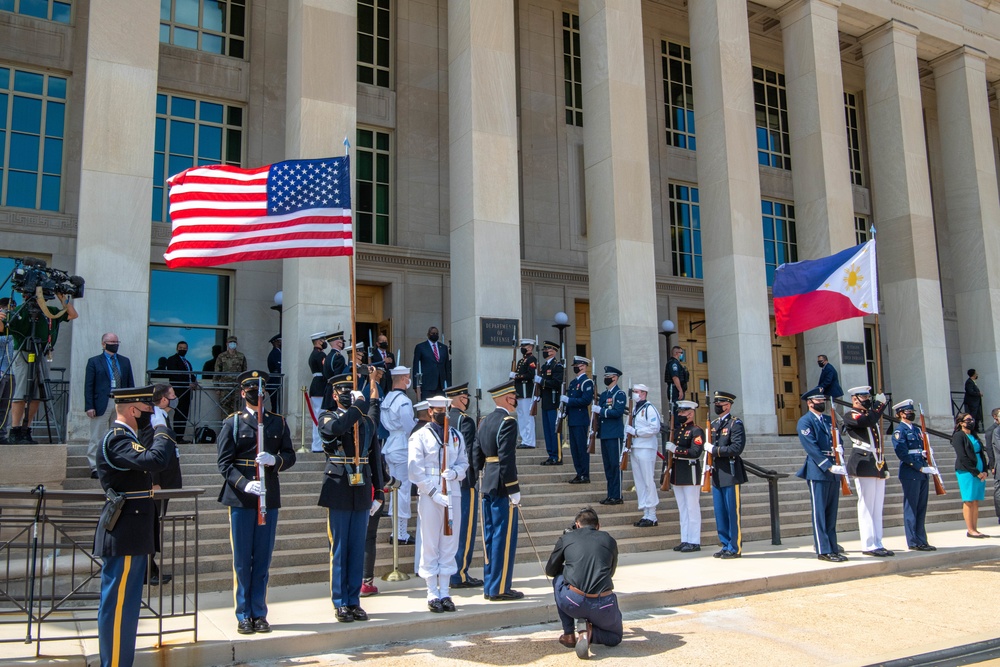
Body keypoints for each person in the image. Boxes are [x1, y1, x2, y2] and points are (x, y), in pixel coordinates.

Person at [94, 385, 175, 667]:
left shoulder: (128, 438)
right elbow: (157, 459)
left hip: (134, 532)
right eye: (147, 411)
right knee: (119, 608)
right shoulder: (118, 439)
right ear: (132, 410)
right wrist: (163, 430)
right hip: (125, 532)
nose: (151, 415)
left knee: (128, 608)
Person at [217, 370, 297, 634]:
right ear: (243, 393)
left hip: (268, 496)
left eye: (260, 390)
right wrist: (244, 483)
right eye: (251, 390)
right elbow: (225, 464)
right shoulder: (233, 423)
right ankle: (243, 613)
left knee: (262, 558)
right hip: (241, 499)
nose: (256, 394)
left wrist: (275, 461)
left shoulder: (277, 422)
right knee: (242, 559)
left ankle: (259, 612)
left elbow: (289, 454)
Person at [317, 369, 384, 622]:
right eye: (342, 393)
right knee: (340, 547)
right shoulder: (328, 416)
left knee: (357, 547)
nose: (346, 396)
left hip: (361, 486)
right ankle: (340, 601)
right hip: (338, 487)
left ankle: (354, 600)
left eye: (350, 392)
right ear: (335, 396)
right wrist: (357, 408)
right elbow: (336, 428)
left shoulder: (365, 421)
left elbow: (374, 456)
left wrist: (379, 490)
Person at [409, 395, 469, 612]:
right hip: (430, 492)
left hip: (452, 491)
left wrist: (456, 472)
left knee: (450, 540)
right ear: (430, 411)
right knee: (430, 541)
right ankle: (432, 592)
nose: (441, 414)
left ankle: (445, 591)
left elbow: (464, 461)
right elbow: (414, 469)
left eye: (444, 410)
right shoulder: (420, 436)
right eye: (437, 410)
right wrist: (433, 492)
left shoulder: (455, 436)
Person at [545, 508, 623, 659]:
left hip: (573, 601)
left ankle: (569, 634)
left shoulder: (566, 538)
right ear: (598, 526)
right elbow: (610, 573)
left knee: (558, 577)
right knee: (615, 638)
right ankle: (589, 633)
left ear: (577, 525)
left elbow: (551, 570)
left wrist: (568, 566)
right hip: (604, 604)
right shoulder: (609, 540)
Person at [6, 289, 77, 444]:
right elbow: (4, 327)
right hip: (24, 352)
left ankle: (26, 430)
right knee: (21, 393)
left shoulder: (49, 312)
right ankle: (15, 429)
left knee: (37, 395)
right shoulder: (21, 311)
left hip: (42, 354)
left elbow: (72, 314)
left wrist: (61, 297)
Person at [473, 380, 522, 601]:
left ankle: (490, 586)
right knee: (503, 537)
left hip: (487, 483)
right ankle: (500, 588)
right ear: (504, 398)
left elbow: (476, 454)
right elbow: (506, 457)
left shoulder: (484, 422)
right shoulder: (508, 421)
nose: (515, 400)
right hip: (502, 485)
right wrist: (513, 487)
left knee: (490, 537)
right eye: (513, 397)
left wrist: (477, 478)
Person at [796, 387, 847, 562]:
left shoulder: (828, 419)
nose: (821, 403)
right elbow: (811, 447)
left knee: (831, 512)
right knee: (820, 513)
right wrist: (827, 465)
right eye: (818, 401)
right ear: (810, 403)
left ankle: (833, 546)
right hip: (818, 471)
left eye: (822, 400)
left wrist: (840, 461)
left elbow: (838, 441)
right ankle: (823, 549)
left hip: (834, 470)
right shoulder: (805, 421)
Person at [842, 385, 892, 557]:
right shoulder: (851, 415)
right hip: (863, 462)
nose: (867, 400)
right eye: (863, 397)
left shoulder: (869, 414)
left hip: (876, 462)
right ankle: (868, 544)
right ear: (854, 399)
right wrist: (879, 406)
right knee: (866, 506)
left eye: (868, 397)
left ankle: (878, 541)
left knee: (877, 506)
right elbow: (867, 421)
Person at [144, 383, 182, 585]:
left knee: (155, 524)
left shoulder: (163, 416)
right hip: (157, 484)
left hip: (165, 481)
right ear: (165, 399)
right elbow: (151, 453)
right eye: (173, 394)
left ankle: (151, 567)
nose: (176, 397)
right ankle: (147, 569)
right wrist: (155, 481)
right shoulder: (154, 419)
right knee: (151, 525)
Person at [447, 383, 483, 589]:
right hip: (464, 480)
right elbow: (470, 452)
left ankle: (450, 570)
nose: (467, 400)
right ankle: (459, 573)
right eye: (464, 397)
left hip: (447, 481)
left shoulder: (444, 419)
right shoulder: (464, 421)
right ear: (460, 400)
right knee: (465, 529)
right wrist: (474, 476)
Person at [84, 333, 135, 478]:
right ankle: (95, 466)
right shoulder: (94, 361)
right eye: (111, 341)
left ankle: (115, 463)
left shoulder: (125, 361)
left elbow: (130, 384)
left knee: (117, 435)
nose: (115, 344)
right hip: (101, 402)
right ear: (103, 343)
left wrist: (130, 404)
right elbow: (89, 385)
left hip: (120, 402)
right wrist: (89, 406)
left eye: (117, 341)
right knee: (97, 435)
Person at [891, 399, 936, 551]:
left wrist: (926, 457)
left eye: (911, 412)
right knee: (911, 507)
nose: (910, 414)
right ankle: (913, 541)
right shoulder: (899, 431)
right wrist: (919, 467)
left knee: (921, 507)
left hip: (922, 471)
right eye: (907, 412)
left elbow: (921, 448)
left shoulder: (917, 430)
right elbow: (902, 453)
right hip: (911, 472)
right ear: (900, 414)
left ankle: (922, 539)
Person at [707, 390, 747, 558]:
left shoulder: (735, 424)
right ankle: (725, 544)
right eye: (715, 404)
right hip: (717, 473)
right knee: (720, 512)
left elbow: (736, 448)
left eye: (720, 404)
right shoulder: (714, 424)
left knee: (732, 511)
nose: (717, 406)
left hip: (730, 472)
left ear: (728, 405)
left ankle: (735, 547)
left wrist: (715, 450)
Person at [380, 365, 417, 546]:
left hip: (390, 445)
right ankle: (400, 534)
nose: (409, 380)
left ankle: (397, 531)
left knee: (396, 489)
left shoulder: (388, 398)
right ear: (403, 379)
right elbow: (409, 424)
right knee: (402, 490)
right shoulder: (403, 400)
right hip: (402, 445)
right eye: (408, 377)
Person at [665, 400, 703, 552]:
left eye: (682, 412)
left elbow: (695, 452)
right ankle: (685, 538)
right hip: (678, 472)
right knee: (682, 509)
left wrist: (676, 449)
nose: (679, 414)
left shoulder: (696, 431)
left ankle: (694, 541)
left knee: (692, 508)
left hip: (690, 471)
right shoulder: (679, 430)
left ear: (691, 413)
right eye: (679, 411)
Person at [623, 383, 661, 527]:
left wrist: (637, 432)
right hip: (635, 447)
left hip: (646, 448)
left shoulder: (649, 409)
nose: (634, 394)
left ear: (644, 393)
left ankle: (652, 514)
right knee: (639, 482)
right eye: (634, 391)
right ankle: (646, 513)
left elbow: (654, 428)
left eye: (637, 392)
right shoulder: (634, 409)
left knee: (647, 481)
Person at [951, 411, 990, 538]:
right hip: (967, 471)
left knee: (975, 500)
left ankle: (975, 528)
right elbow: (962, 456)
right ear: (961, 423)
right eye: (968, 420)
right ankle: (970, 529)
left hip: (979, 468)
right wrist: (976, 472)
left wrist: (984, 470)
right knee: (968, 499)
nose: (971, 422)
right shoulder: (958, 436)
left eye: (971, 419)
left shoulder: (973, 435)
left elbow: (981, 452)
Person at [593, 366, 626, 505]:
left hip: (614, 434)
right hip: (605, 433)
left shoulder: (619, 394)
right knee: (608, 466)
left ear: (615, 377)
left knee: (615, 465)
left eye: (609, 376)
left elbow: (617, 412)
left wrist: (601, 411)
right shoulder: (605, 395)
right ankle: (610, 494)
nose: (606, 378)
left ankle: (617, 495)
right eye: (605, 376)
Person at [563, 356, 594, 484]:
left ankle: (584, 474)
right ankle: (579, 472)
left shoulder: (587, 383)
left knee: (581, 448)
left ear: (584, 366)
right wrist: (564, 411)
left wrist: (569, 401)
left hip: (581, 419)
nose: (576, 368)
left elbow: (586, 401)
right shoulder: (573, 382)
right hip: (572, 419)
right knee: (574, 449)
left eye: (578, 366)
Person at [165, 341, 197, 444]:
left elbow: (190, 375)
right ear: (176, 348)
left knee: (184, 414)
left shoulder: (187, 362)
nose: (182, 350)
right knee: (178, 414)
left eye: (184, 348)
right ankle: (175, 437)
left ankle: (180, 437)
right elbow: (175, 375)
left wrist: (194, 382)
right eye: (180, 347)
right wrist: (187, 384)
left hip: (187, 392)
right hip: (178, 391)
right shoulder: (172, 359)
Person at [538, 341, 564, 465]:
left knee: (555, 431)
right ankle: (551, 454)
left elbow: (556, 383)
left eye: (546, 350)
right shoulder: (544, 367)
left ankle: (557, 456)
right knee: (547, 431)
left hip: (554, 402)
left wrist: (542, 381)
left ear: (553, 351)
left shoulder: (557, 366)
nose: (544, 352)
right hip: (546, 402)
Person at [511, 338, 538, 449]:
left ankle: (530, 441)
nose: (522, 348)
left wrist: (516, 376)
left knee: (528, 417)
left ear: (530, 347)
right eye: (522, 346)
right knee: (521, 416)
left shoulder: (531, 359)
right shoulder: (521, 361)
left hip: (526, 391)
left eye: (525, 346)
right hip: (520, 392)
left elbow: (530, 374)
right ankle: (524, 439)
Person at [412, 326, 450, 401]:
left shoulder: (444, 347)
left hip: (441, 384)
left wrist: (448, 384)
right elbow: (416, 366)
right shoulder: (420, 347)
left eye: (436, 333)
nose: (435, 335)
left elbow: (447, 367)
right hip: (427, 385)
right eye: (433, 333)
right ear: (428, 334)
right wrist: (416, 385)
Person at [307, 332, 330, 453]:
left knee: (318, 416)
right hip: (320, 386)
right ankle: (317, 444)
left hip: (317, 385)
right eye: (323, 340)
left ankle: (318, 444)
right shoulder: (320, 354)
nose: (324, 342)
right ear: (318, 342)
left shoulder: (313, 354)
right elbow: (325, 370)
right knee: (320, 417)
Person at [214, 335, 247, 415]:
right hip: (224, 387)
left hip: (237, 387)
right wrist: (216, 387)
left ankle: (235, 427)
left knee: (237, 409)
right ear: (227, 344)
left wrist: (244, 386)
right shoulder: (221, 356)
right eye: (230, 342)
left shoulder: (241, 356)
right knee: (224, 409)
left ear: (237, 344)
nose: (232, 344)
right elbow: (217, 372)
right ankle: (226, 426)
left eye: (234, 342)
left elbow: (244, 372)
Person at [0, 297, 15, 444]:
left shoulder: (13, 325)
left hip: (11, 372)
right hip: (0, 370)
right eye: (6, 308)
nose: (9, 311)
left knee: (5, 406)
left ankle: (2, 434)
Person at [321, 332, 347, 410]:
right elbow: (338, 377)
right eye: (341, 342)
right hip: (335, 391)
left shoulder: (328, 356)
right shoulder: (338, 357)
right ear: (338, 343)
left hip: (328, 390)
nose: (342, 344)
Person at [663, 345, 688, 424]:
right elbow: (675, 377)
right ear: (677, 353)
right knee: (676, 410)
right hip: (674, 389)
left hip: (676, 389)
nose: (682, 355)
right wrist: (680, 390)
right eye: (681, 353)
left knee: (680, 409)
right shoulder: (674, 363)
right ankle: (676, 429)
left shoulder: (677, 363)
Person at [266, 334, 281, 413]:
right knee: (275, 405)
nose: (280, 343)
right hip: (275, 381)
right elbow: (279, 367)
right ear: (275, 343)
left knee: (278, 404)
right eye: (279, 342)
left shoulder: (279, 352)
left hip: (277, 381)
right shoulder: (274, 353)